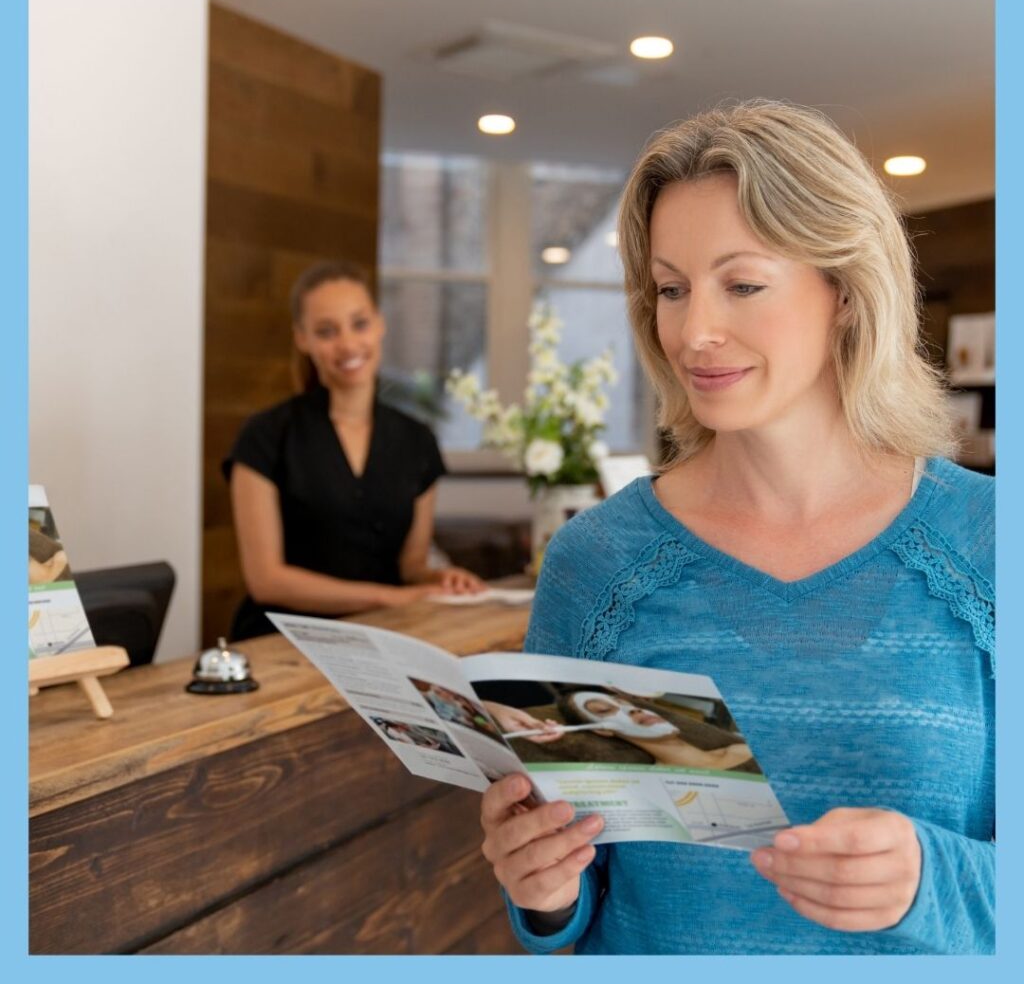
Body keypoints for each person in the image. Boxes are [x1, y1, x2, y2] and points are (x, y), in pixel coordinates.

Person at [479, 100, 994, 954]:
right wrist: (542, 890)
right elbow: (573, 900)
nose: (693, 331)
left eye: (742, 283)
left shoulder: (989, 545)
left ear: (845, 290)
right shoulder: (596, 563)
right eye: (672, 289)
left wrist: (930, 879)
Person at [224, 260, 484, 640]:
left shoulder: (417, 440)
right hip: (280, 643)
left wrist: (439, 578)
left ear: (379, 324)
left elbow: (410, 565)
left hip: (385, 640)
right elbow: (267, 581)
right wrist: (393, 599)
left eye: (359, 324)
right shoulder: (264, 437)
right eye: (326, 331)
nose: (347, 344)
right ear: (302, 338)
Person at [561, 691, 753, 770]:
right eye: (605, 710)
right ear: (603, 731)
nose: (633, 709)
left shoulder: (741, 747)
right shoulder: (660, 783)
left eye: (623, 702)